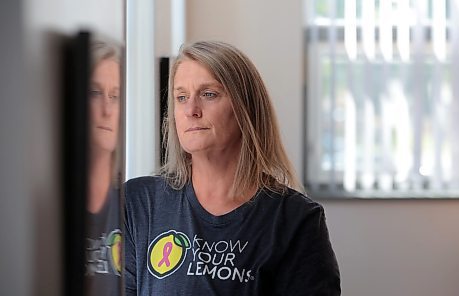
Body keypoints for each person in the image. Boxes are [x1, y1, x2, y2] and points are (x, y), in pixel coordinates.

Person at [124, 40, 341, 295]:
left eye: (209, 94)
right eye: (181, 97)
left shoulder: (295, 219)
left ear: (245, 108)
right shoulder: (139, 202)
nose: (191, 110)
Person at [85, 40, 123, 296]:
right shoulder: (47, 203)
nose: (107, 110)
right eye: (95, 93)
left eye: (116, 96)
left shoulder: (135, 201)